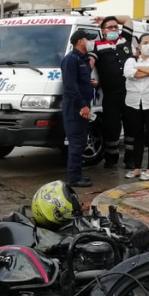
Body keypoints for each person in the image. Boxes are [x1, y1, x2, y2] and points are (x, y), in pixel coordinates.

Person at [89, 15, 134, 169]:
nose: (114, 29)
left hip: (129, 92)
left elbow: (127, 19)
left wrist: (108, 17)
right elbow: (91, 61)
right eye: (110, 27)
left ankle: (130, 159)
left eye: (116, 27)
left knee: (131, 126)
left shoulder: (125, 39)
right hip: (111, 94)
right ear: (103, 31)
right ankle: (111, 158)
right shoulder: (97, 45)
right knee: (111, 127)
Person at [123, 33, 149, 181]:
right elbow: (128, 73)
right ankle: (137, 168)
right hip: (134, 103)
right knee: (137, 136)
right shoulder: (130, 60)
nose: (148, 45)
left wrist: (140, 70)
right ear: (139, 45)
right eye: (145, 42)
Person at [60, 29, 96, 188]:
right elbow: (70, 87)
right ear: (80, 41)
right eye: (88, 39)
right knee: (76, 143)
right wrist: (82, 106)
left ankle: (78, 174)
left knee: (81, 142)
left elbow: (80, 81)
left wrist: (90, 83)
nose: (91, 42)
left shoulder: (83, 59)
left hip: (82, 106)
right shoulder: (71, 60)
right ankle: (74, 178)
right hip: (75, 108)